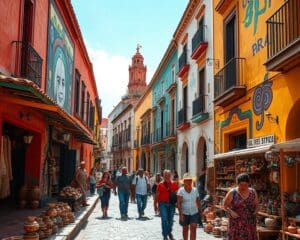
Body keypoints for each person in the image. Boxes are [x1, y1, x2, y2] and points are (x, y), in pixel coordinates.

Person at [223, 173, 259, 240]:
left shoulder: (253, 192)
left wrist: (255, 212)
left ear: (249, 183)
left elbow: (257, 205)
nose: (243, 187)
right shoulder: (232, 193)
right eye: (241, 185)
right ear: (237, 183)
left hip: (250, 223)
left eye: (245, 185)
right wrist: (231, 212)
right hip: (236, 223)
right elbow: (225, 205)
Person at [177, 173, 201, 240]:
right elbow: (179, 204)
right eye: (187, 180)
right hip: (185, 213)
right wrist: (180, 214)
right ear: (184, 182)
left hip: (194, 212)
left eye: (190, 180)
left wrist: (200, 212)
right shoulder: (181, 191)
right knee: (185, 229)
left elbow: (198, 201)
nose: (189, 182)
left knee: (193, 228)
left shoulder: (195, 190)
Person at [156, 169, 179, 240]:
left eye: (168, 175)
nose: (167, 176)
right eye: (165, 175)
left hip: (171, 204)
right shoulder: (160, 184)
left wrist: (178, 203)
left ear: (170, 175)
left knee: (171, 220)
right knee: (164, 219)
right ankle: (165, 235)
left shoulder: (174, 184)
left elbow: (178, 194)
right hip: (163, 204)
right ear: (163, 176)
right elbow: (157, 195)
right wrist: (155, 205)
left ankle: (169, 231)